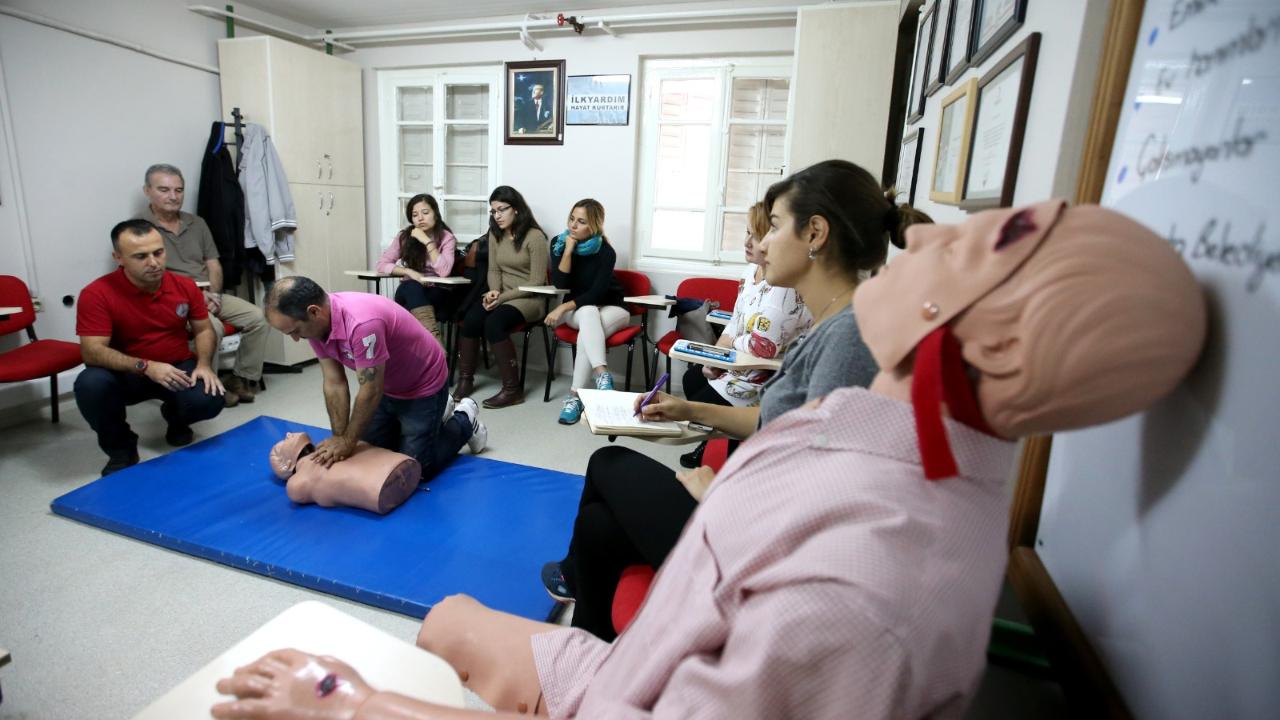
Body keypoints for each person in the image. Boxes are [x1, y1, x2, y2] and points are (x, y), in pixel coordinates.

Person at [210, 200, 1207, 719]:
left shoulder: (863, 598)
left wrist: (351, 707)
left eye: (978, 244)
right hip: (635, 669)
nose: (929, 239)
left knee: (380, 662)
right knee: (451, 616)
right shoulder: (865, 422)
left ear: (994, 347)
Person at [544, 160, 930, 639]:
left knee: (609, 462)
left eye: (773, 227)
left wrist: (718, 496)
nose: (762, 244)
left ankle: (584, 612)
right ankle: (593, 656)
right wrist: (689, 410)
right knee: (600, 529)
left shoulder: (849, 339)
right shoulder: (835, 322)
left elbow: (822, 489)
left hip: (760, 553)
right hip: (754, 517)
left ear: (815, 233)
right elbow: (775, 420)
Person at [262, 276, 487, 484]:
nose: (295, 339)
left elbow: (371, 389)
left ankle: (464, 420)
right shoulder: (315, 326)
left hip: (422, 383)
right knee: (370, 453)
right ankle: (439, 412)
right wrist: (340, 439)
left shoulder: (361, 323)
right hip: (388, 385)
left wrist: (348, 442)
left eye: (294, 331)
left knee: (416, 470)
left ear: (313, 312)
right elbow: (334, 383)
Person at [74, 219, 226, 476]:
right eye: (141, 256)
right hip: (127, 373)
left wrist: (203, 365)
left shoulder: (184, 286)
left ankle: (176, 418)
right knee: (90, 385)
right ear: (119, 257)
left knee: (209, 398)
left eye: (158, 252)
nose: (154, 262)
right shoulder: (96, 293)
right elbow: (92, 351)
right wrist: (146, 366)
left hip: (175, 367)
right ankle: (122, 449)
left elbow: (203, 329)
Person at [677, 201, 812, 467]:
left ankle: (724, 456)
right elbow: (735, 324)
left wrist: (727, 353)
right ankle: (711, 446)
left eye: (757, 235)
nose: (748, 242)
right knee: (693, 378)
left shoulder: (782, 284)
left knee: (703, 403)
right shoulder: (750, 272)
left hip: (767, 374)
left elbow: (763, 347)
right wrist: (715, 359)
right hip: (740, 362)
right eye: (747, 233)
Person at [143, 163, 268, 407]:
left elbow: (213, 264)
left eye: (179, 190)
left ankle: (240, 379)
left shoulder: (196, 223)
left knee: (259, 318)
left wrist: (215, 294)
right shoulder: (141, 229)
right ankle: (209, 388)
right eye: (164, 190)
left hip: (208, 292)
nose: (173, 196)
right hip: (174, 299)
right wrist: (195, 299)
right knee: (213, 328)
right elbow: (150, 276)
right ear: (147, 191)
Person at [453, 186, 549, 409]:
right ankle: (465, 380)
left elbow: (536, 283)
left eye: (501, 210)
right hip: (502, 296)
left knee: (494, 323)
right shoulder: (495, 235)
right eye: (493, 211)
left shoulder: (535, 237)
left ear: (516, 209)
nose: (497, 216)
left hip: (530, 299)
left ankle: (512, 390)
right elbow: (494, 270)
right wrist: (494, 291)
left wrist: (503, 297)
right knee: (471, 319)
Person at [545, 199, 627, 425]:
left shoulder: (605, 251)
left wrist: (562, 307)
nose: (573, 225)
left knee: (586, 330)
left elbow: (597, 293)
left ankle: (575, 398)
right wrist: (569, 251)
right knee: (589, 314)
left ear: (594, 226)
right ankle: (602, 375)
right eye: (572, 218)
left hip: (612, 306)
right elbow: (560, 283)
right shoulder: (559, 244)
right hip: (580, 311)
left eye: (581, 222)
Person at [269, 432, 422, 515]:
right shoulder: (298, 481)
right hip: (391, 478)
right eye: (283, 442)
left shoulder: (329, 445)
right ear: (286, 464)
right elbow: (296, 491)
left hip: (388, 481)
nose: (288, 434)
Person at [376, 193, 457, 343]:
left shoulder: (446, 237)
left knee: (407, 305)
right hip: (410, 290)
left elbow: (444, 271)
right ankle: (434, 344)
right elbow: (382, 264)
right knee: (411, 286)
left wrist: (427, 241)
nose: (420, 218)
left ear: (436, 214)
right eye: (415, 215)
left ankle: (425, 351)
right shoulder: (405, 237)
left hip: (437, 292)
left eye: (425, 213)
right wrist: (409, 271)